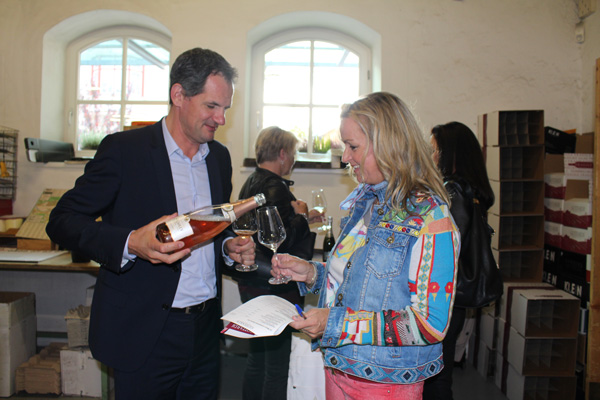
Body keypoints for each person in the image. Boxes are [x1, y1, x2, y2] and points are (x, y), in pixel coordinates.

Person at [46, 48, 254, 400]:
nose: (220, 119)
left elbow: (211, 229)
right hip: (145, 330)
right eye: (211, 106)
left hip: (204, 330)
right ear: (178, 96)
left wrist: (228, 247)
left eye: (225, 109)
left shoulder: (218, 159)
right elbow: (62, 222)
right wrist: (131, 243)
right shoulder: (125, 151)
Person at [270, 92, 460, 400]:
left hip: (385, 383)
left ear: (387, 144)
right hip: (341, 367)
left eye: (353, 146)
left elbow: (429, 325)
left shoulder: (431, 218)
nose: (345, 157)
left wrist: (336, 324)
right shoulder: (367, 201)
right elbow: (366, 280)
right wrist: (312, 274)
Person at [235, 126, 322, 400]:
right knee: (276, 362)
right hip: (275, 281)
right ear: (283, 154)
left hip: (251, 279)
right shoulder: (276, 188)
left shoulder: (250, 182)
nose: (294, 160)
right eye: (294, 153)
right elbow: (279, 242)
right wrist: (302, 217)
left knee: (257, 356)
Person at [423, 121, 495, 400]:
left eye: (435, 150)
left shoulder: (454, 193)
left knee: (436, 378)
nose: (431, 158)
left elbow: (446, 248)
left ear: (449, 154)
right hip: (451, 297)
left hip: (445, 297)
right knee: (438, 373)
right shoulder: (465, 191)